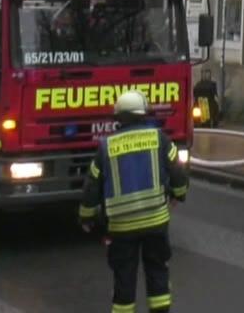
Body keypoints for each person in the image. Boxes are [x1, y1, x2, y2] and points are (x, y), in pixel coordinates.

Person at [79, 89, 187, 313]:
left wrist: (86, 217)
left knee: (124, 277)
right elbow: (177, 171)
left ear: (118, 118)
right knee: (157, 271)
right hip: (156, 222)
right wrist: (179, 195)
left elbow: (92, 185)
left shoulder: (106, 147)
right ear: (143, 114)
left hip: (121, 227)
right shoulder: (159, 139)